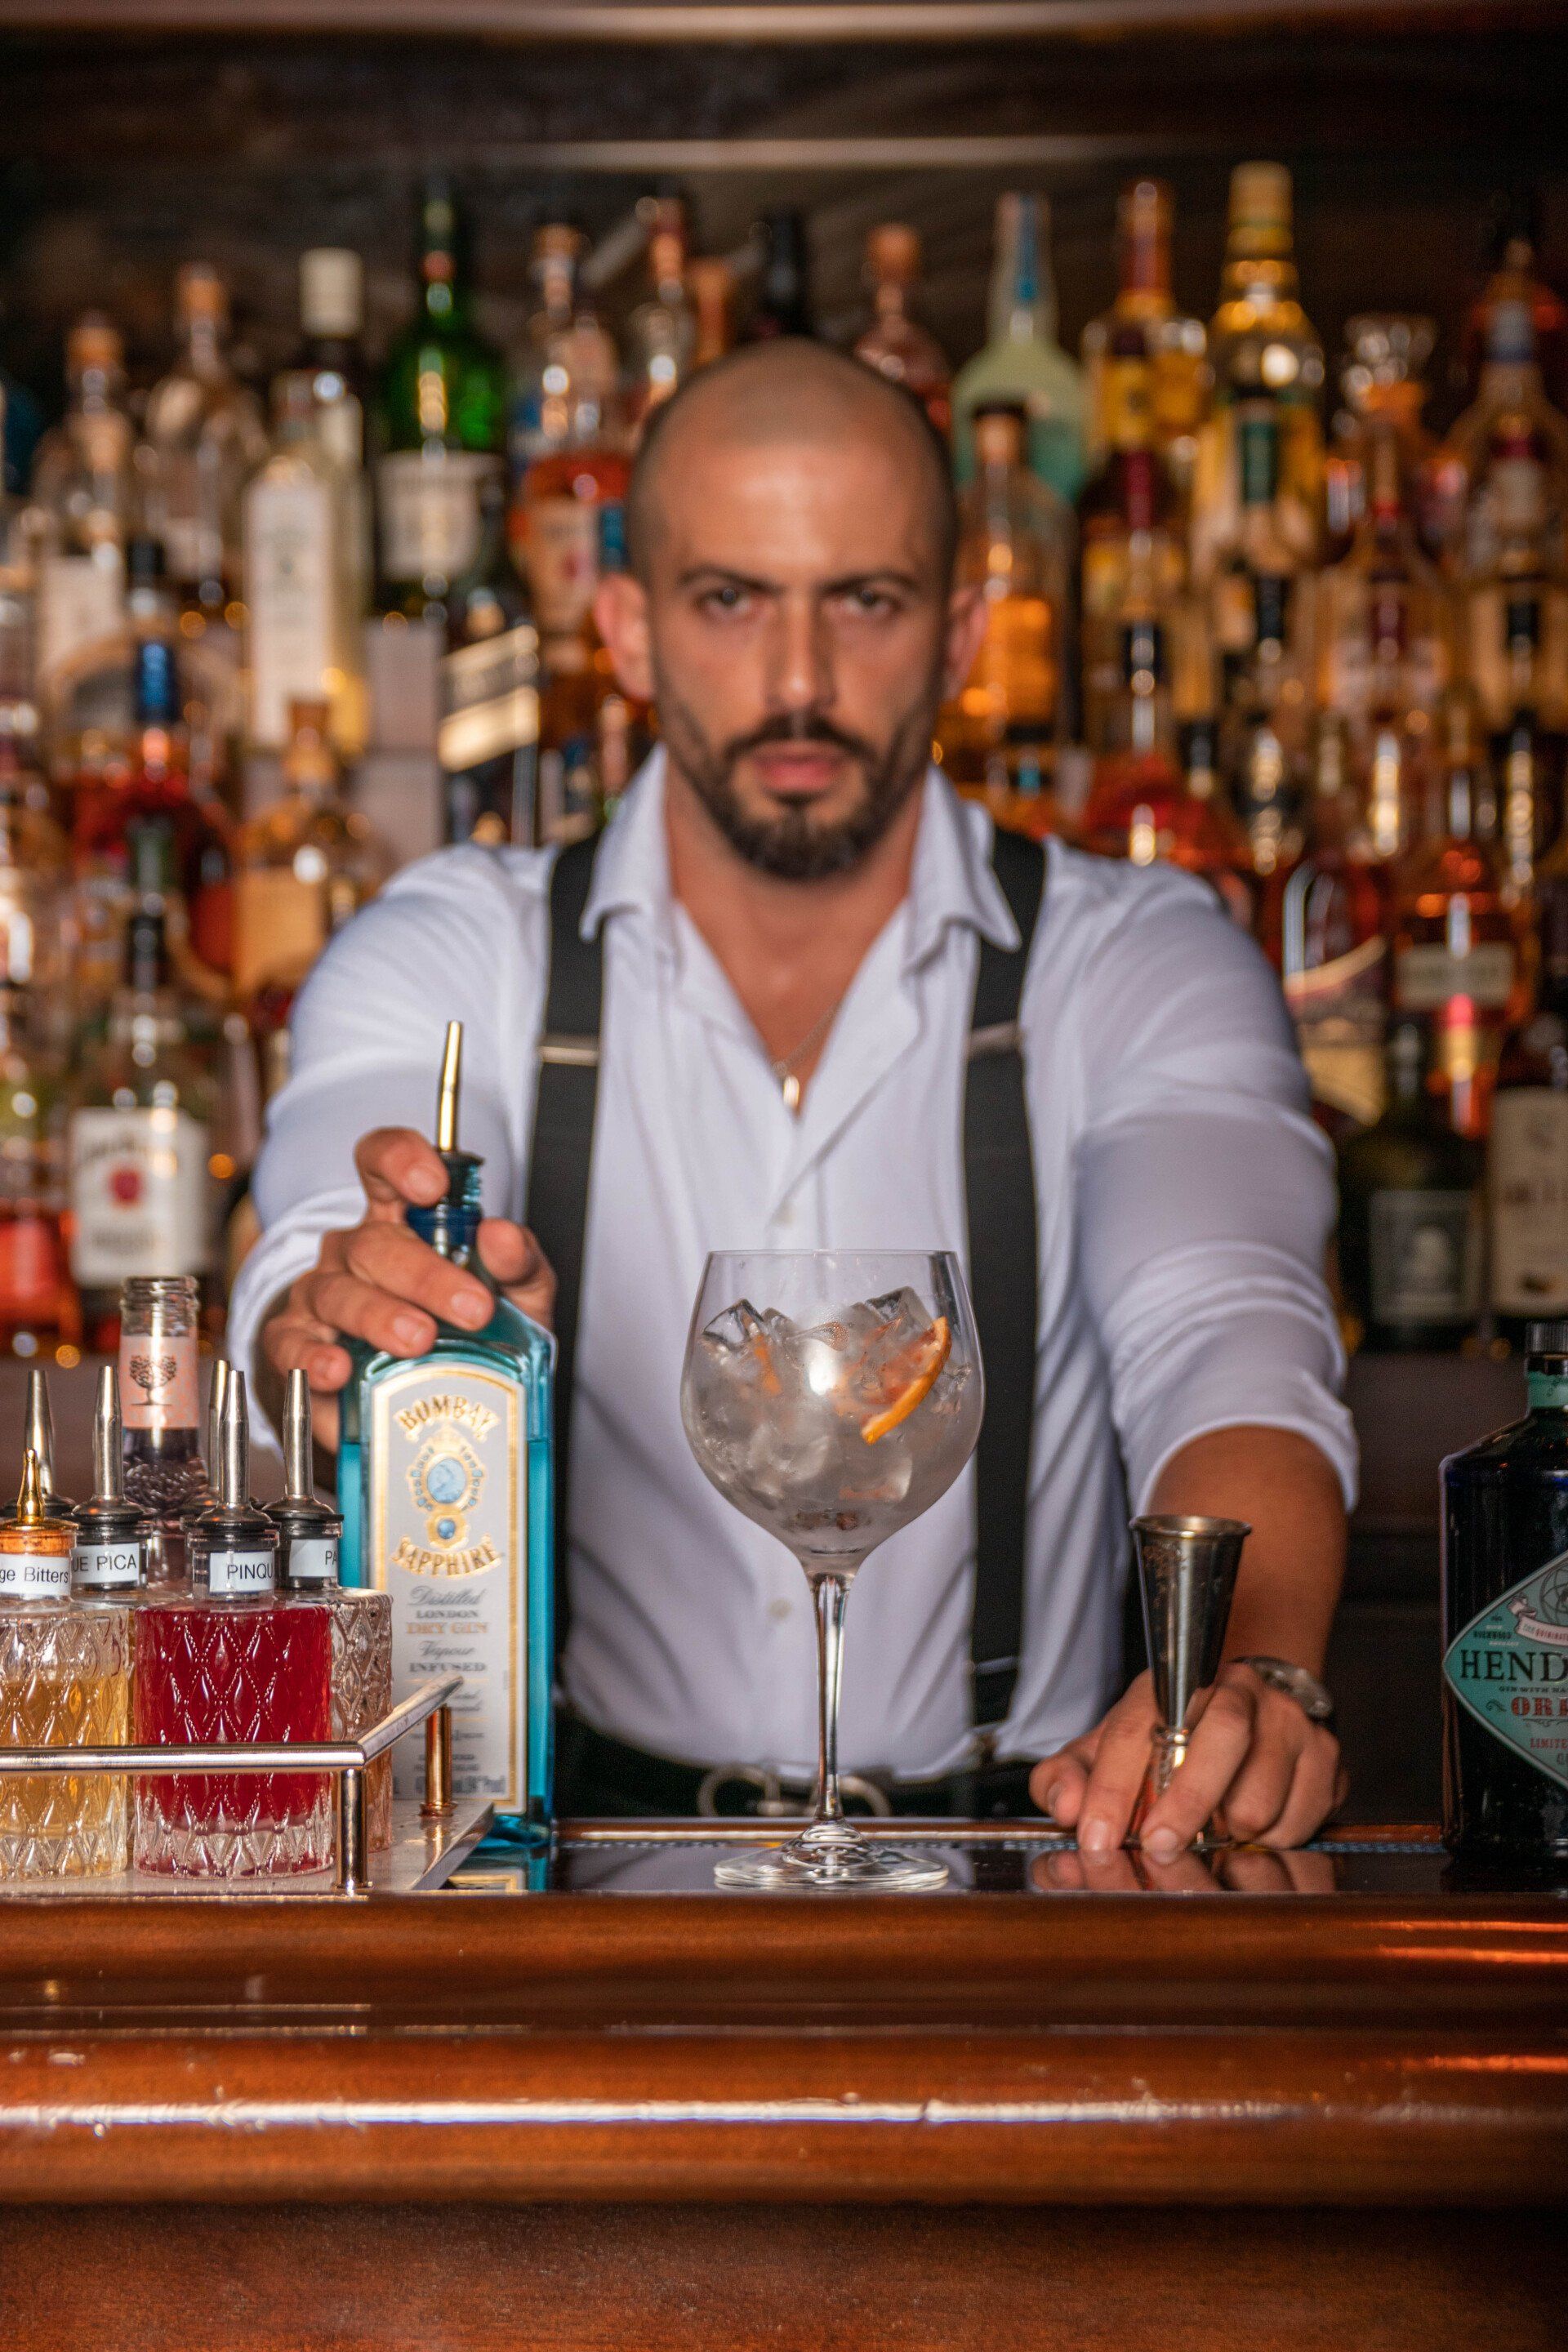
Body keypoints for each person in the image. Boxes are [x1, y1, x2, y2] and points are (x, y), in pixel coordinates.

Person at [230, 340, 1354, 1855]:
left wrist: (1254, 1672)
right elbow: (317, 1232)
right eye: (730, 599)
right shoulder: (454, 950)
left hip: (1019, 1867)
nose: (802, 682)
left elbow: (1230, 1339)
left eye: (866, 601)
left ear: (961, 632)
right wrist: (335, 1330)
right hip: (586, 1869)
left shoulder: (1136, 964)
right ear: (627, 629)